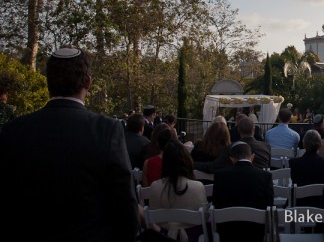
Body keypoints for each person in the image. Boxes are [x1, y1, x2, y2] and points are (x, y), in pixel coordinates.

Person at [0, 47, 139, 241]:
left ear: (48, 81)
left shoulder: (12, 131)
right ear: (88, 83)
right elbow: (126, 205)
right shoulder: (106, 130)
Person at [212, 141, 274, 242]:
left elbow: (216, 203)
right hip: (256, 231)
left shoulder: (220, 175)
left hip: (227, 231)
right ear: (252, 157)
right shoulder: (265, 176)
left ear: (232, 159)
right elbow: (269, 205)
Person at [148, 140, 208, 242]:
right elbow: (204, 218)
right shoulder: (198, 187)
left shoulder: (155, 187)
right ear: (187, 160)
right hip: (193, 238)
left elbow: (154, 220)